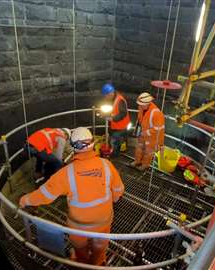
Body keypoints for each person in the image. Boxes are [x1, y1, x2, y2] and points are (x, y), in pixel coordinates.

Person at [19, 127, 125, 266]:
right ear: (93, 143)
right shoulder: (106, 165)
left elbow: (44, 194)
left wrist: (24, 200)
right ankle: (99, 263)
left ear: (74, 146)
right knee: (99, 249)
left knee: (80, 252)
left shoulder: (66, 173)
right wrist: (114, 199)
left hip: (78, 226)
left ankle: (81, 263)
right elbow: (118, 190)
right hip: (103, 223)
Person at [131, 92, 165, 171]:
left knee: (148, 152)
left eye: (141, 104)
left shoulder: (156, 113)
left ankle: (145, 165)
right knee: (139, 148)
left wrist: (145, 133)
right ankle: (137, 161)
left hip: (152, 138)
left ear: (148, 103)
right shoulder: (141, 107)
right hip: (142, 133)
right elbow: (140, 120)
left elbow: (157, 129)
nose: (140, 106)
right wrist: (138, 129)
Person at [101, 83, 131, 157]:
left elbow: (123, 113)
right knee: (115, 140)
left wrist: (112, 118)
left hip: (121, 127)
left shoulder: (120, 100)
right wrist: (106, 115)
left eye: (106, 95)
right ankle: (119, 150)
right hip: (116, 126)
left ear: (110, 93)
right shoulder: (114, 99)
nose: (106, 97)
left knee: (114, 141)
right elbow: (114, 111)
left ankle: (115, 156)